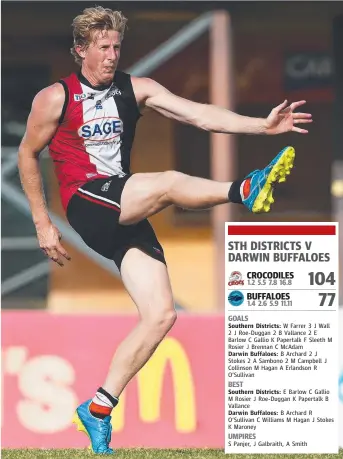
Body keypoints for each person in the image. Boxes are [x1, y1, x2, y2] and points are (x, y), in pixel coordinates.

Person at [18, 6, 312, 455]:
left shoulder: (138, 89)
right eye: (103, 47)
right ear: (80, 50)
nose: (113, 55)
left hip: (127, 203)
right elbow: (26, 156)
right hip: (88, 202)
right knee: (170, 183)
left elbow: (199, 114)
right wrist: (42, 222)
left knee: (161, 315)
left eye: (117, 46)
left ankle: (97, 409)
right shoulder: (54, 98)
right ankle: (244, 188)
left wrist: (261, 126)